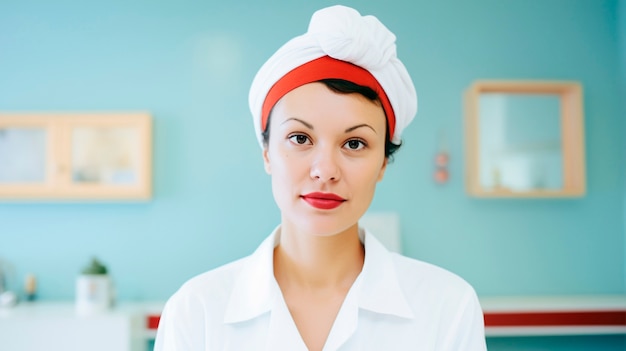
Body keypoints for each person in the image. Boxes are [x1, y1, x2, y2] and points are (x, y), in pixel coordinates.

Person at [154, 5, 486, 351]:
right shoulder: (196, 312)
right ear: (267, 152)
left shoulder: (447, 307)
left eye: (354, 143)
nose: (325, 170)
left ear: (383, 164)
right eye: (300, 138)